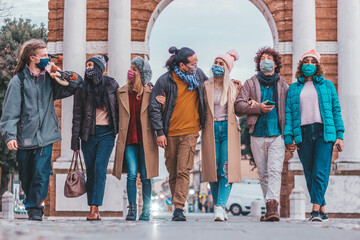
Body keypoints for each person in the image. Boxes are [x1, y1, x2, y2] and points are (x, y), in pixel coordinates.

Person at [0, 39, 81, 221]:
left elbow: (76, 85)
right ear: (32, 58)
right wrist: (10, 136)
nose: (47, 58)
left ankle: (35, 210)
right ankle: (32, 204)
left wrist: (59, 73)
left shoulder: (51, 80)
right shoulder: (18, 82)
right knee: (27, 177)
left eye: (47, 55)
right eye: (43, 56)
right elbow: (10, 112)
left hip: (46, 136)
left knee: (41, 173)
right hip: (25, 137)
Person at [284, 49, 345, 222]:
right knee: (310, 173)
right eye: (306, 61)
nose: (309, 64)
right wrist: (289, 138)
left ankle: (315, 211)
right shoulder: (294, 89)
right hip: (303, 133)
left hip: (323, 132)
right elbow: (289, 114)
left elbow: (335, 111)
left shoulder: (327, 86)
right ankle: (323, 210)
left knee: (320, 171)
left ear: (317, 65)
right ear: (301, 65)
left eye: (312, 61)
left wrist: (339, 135)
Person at [149, 46, 208, 221]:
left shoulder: (198, 76)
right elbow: (154, 108)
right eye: (192, 63)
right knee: (173, 171)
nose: (195, 65)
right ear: (181, 65)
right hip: (170, 134)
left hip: (190, 132)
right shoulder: (165, 80)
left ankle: (178, 208)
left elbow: (212, 87)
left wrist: (231, 81)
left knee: (184, 170)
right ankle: (177, 205)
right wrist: (159, 132)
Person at [234, 47, 288, 222]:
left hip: (277, 135)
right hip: (256, 134)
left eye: (269, 58)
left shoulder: (282, 85)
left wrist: (291, 137)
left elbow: (291, 110)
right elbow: (238, 107)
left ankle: (273, 206)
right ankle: (269, 209)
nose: (265, 60)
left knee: (274, 170)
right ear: (259, 63)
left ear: (275, 63)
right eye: (262, 58)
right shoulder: (250, 83)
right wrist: (258, 108)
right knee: (263, 173)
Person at [71, 55, 119, 221]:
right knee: (91, 171)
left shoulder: (112, 85)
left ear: (99, 68)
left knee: (100, 169)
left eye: (91, 65)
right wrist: (74, 140)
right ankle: (94, 207)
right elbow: (77, 115)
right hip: (88, 135)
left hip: (107, 134)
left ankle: (94, 208)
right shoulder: (82, 88)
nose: (88, 68)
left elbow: (120, 107)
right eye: (86, 65)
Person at [113, 56, 159, 221]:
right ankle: (132, 209)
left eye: (134, 69)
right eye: (131, 68)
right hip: (129, 140)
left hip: (146, 140)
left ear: (141, 73)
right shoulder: (122, 92)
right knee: (132, 175)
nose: (130, 72)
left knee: (146, 176)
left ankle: (146, 210)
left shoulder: (150, 92)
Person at [201, 50, 242, 221]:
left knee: (226, 168)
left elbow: (242, 106)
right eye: (216, 63)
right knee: (213, 169)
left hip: (228, 130)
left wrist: (252, 102)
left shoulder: (234, 87)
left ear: (227, 68)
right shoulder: (205, 86)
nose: (217, 66)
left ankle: (220, 206)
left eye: (221, 64)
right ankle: (220, 206)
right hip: (210, 129)